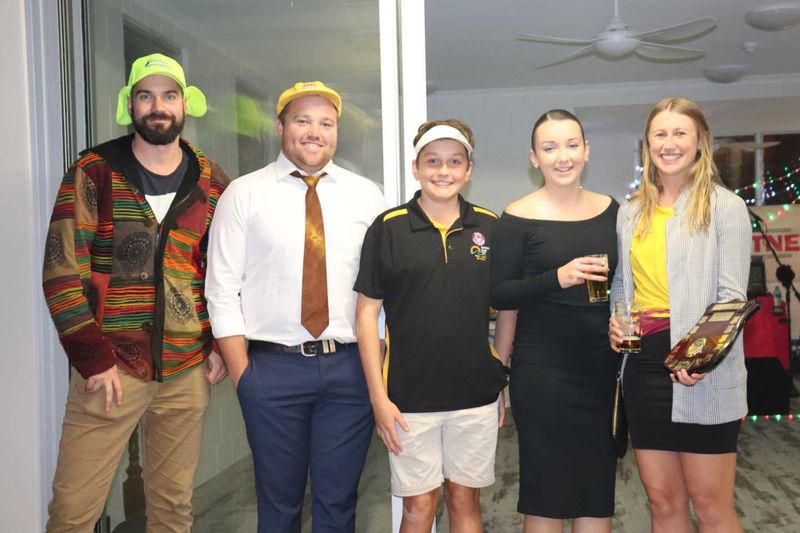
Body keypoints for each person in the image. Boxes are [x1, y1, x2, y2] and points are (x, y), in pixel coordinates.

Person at [42, 53, 229, 532]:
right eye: (146, 96)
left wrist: (217, 343)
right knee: (72, 513)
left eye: (168, 96)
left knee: (173, 510)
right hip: (110, 370)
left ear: (186, 105)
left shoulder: (210, 181)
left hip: (186, 367)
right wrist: (92, 357)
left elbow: (222, 273)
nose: (158, 107)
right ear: (131, 105)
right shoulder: (95, 171)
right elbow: (62, 270)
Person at [205, 81, 387, 533]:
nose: (314, 132)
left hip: (349, 370)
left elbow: (384, 290)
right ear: (281, 126)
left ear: (337, 132)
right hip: (272, 371)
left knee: (339, 502)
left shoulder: (368, 197)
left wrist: (378, 358)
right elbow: (221, 287)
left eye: (326, 123)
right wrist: (244, 373)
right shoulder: (243, 195)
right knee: (278, 503)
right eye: (303, 120)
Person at [354, 119, 509, 533]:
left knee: (465, 500)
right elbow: (366, 314)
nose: (444, 171)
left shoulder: (490, 227)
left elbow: (509, 307)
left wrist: (500, 374)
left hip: (475, 394)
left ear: (468, 169)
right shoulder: (388, 227)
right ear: (416, 168)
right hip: (408, 399)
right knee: (418, 508)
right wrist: (378, 399)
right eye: (433, 161)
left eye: (454, 162)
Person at [609, 97, 750, 533]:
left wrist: (698, 359)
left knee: (710, 506)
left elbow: (731, 298)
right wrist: (617, 320)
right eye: (660, 134)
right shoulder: (631, 212)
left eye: (679, 133)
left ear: (700, 141)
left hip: (701, 366)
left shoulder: (725, 207)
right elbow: (622, 286)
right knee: (662, 502)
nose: (669, 143)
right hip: (644, 369)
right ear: (647, 145)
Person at [491, 109, 619, 533]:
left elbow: (624, 287)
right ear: (534, 158)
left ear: (587, 151)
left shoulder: (612, 212)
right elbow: (499, 294)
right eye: (549, 148)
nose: (561, 156)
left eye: (571, 145)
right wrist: (556, 278)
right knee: (546, 490)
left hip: (601, 368)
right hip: (541, 372)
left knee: (595, 490)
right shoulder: (518, 215)